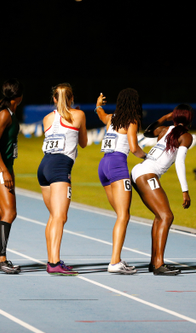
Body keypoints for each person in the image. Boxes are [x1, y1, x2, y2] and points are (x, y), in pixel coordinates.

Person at [131, 104, 194, 276]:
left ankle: (154, 262)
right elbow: (180, 162)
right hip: (147, 174)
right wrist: (185, 190)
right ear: (189, 118)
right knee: (167, 216)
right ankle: (159, 264)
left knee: (160, 216)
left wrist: (165, 118)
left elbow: (148, 131)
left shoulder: (165, 129)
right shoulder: (186, 136)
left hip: (139, 171)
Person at [95, 89, 146, 275]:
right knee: (123, 216)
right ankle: (114, 261)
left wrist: (98, 103)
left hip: (103, 166)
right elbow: (134, 148)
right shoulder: (131, 121)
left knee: (120, 215)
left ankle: (117, 258)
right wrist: (148, 158)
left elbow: (100, 114)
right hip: (117, 166)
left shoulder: (111, 118)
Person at [38, 83, 87, 275]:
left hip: (44, 166)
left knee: (53, 217)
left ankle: (52, 260)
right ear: (72, 98)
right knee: (60, 217)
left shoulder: (46, 118)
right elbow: (83, 143)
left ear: (54, 99)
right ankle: (54, 262)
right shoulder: (79, 115)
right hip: (60, 167)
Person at [0, 79, 24, 274]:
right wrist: (4, 170)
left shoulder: (9, 113)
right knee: (10, 213)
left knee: (1, 214)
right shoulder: (4, 114)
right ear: (19, 97)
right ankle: (2, 259)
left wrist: (8, 168)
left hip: (3, 167)